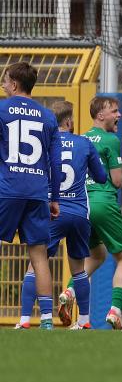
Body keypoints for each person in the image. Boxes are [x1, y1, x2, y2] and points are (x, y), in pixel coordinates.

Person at [21, 101, 106, 330]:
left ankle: (27, 319)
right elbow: (101, 177)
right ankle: (84, 321)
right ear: (68, 121)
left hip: (51, 211)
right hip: (78, 213)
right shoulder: (84, 143)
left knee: (36, 265)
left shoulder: (44, 143)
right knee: (79, 269)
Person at [58, 96, 122, 329]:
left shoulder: (81, 139)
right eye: (114, 111)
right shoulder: (111, 140)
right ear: (101, 115)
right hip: (103, 203)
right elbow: (117, 181)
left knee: (96, 255)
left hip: (82, 206)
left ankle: (69, 292)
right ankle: (115, 311)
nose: (119, 115)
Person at [0, 62, 62, 330]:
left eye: (4, 81)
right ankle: (47, 320)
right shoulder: (48, 116)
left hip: (7, 189)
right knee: (39, 256)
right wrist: (54, 197)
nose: (3, 85)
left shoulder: (2, 109)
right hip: (38, 192)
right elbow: (56, 162)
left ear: (14, 84)